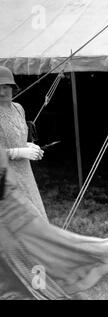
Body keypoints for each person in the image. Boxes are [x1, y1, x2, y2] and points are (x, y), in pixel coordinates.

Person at [0, 146, 108, 300]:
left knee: (36, 273)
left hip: (14, 207)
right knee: (30, 275)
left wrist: (23, 146)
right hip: (10, 219)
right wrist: (15, 152)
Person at [0, 66, 47, 220]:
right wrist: (20, 152)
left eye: (5, 87)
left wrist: (28, 146)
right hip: (6, 178)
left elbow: (16, 139)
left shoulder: (19, 108)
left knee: (37, 220)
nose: (2, 92)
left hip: (25, 174)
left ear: (13, 88)